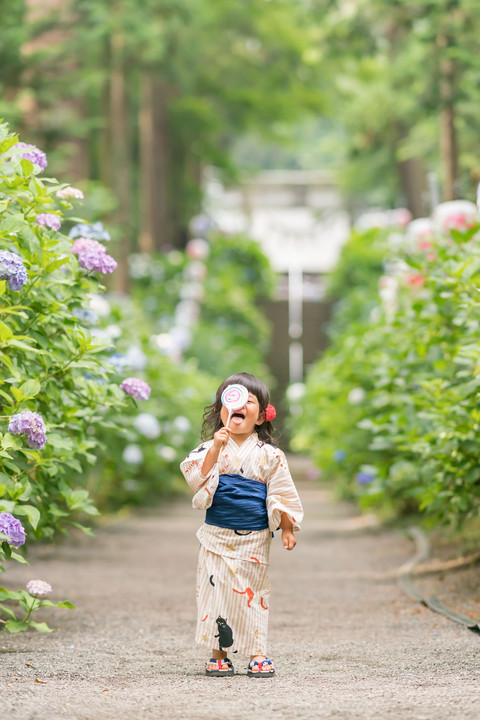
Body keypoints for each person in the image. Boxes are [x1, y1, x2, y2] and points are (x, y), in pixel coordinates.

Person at [180, 372, 303, 677]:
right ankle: (218, 653)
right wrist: (214, 450)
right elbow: (197, 480)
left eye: (250, 401)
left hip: (254, 534)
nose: (241, 405)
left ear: (261, 416)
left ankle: (257, 652)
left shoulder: (270, 455)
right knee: (215, 591)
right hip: (216, 533)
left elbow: (281, 492)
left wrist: (286, 526)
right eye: (233, 398)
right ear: (221, 410)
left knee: (254, 591)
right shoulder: (209, 448)